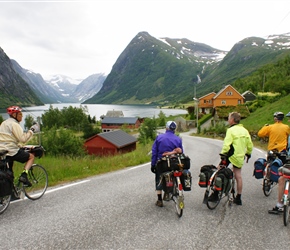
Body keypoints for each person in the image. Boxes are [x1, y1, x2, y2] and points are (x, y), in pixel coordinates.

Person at [209, 112, 253, 205]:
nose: (228, 120)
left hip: (230, 155)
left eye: (229, 118)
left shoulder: (231, 130)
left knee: (218, 170)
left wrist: (223, 154)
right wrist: (248, 153)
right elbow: (250, 144)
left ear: (232, 120)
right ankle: (238, 198)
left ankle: (216, 194)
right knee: (238, 176)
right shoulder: (245, 130)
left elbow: (227, 144)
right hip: (240, 156)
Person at [0, 106, 40, 186]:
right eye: (20, 114)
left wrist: (19, 145)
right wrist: (32, 130)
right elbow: (23, 139)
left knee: (9, 172)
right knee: (31, 157)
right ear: (14, 115)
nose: (22, 116)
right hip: (11, 151)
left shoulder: (3, 123)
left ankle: (11, 194)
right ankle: (24, 176)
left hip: (2, 151)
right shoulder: (14, 124)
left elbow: (7, 138)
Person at [261, 111, 290, 214]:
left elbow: (260, 134)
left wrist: (265, 127)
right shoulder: (287, 128)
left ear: (275, 118)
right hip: (282, 151)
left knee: (276, 169)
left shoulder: (270, 127)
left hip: (272, 150)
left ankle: (269, 179)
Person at [151, 121, 183, 207]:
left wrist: (153, 164)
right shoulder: (178, 139)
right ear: (174, 129)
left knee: (159, 177)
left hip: (162, 163)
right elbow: (181, 152)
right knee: (173, 173)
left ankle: (159, 200)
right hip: (174, 162)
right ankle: (170, 191)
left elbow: (154, 152)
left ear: (166, 128)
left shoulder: (159, 137)